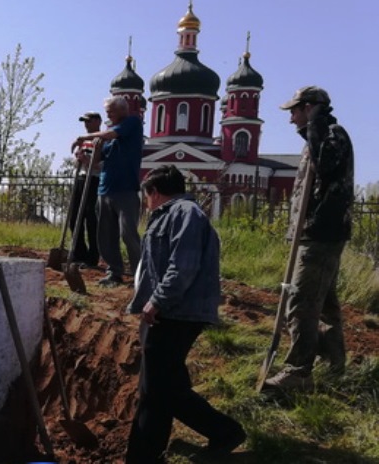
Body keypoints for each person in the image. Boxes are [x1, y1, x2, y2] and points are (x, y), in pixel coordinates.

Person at [125, 165, 246, 463]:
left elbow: (184, 265)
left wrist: (158, 301)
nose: (146, 203)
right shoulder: (172, 214)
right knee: (167, 385)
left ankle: (144, 456)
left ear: (153, 192)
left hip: (177, 313)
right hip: (168, 311)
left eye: (146, 196)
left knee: (155, 390)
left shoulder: (185, 214)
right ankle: (224, 432)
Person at [262, 86, 354, 393]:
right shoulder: (315, 141)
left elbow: (326, 166)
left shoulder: (332, 135)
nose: (291, 119)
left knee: (301, 301)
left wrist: (315, 123)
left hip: (321, 234)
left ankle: (299, 371)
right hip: (311, 234)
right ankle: (335, 365)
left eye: (295, 111)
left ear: (312, 108)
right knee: (324, 303)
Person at [71, 95, 143, 286]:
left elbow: (110, 135)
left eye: (110, 111)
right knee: (105, 235)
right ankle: (114, 272)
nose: (108, 114)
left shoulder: (132, 123)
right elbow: (97, 162)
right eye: (107, 111)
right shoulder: (109, 136)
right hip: (105, 190)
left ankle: (140, 273)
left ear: (122, 110)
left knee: (128, 234)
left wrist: (84, 137)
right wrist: (85, 157)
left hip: (126, 189)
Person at [68, 111, 102, 266]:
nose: (86, 124)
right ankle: (78, 253)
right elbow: (77, 162)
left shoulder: (102, 140)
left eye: (89, 121)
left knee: (91, 219)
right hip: (81, 178)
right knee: (74, 218)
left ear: (97, 122)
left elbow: (103, 164)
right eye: (84, 122)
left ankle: (92, 256)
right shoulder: (83, 141)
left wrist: (89, 161)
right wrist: (79, 159)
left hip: (94, 179)